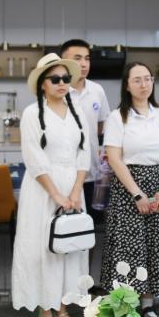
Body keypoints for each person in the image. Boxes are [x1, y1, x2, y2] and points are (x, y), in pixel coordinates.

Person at [11, 53, 90, 317]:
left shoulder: (77, 112)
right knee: (43, 250)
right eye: (54, 79)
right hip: (43, 190)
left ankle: (63, 310)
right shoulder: (32, 113)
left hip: (73, 189)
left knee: (69, 248)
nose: (61, 83)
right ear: (42, 84)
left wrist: (76, 191)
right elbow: (34, 158)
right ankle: (45, 313)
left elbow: (85, 153)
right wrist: (56, 195)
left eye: (65, 78)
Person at [101, 61, 159, 317]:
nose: (144, 84)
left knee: (155, 249)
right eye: (137, 80)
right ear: (127, 85)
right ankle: (126, 310)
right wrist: (137, 194)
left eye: (147, 78)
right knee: (128, 250)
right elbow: (114, 158)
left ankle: (148, 307)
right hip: (129, 189)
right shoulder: (118, 117)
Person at [60, 39, 111, 217]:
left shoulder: (97, 90)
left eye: (87, 59)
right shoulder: (58, 91)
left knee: (91, 224)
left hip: (92, 172)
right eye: (77, 58)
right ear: (64, 62)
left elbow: (101, 126)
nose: (83, 64)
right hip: (64, 174)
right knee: (65, 224)